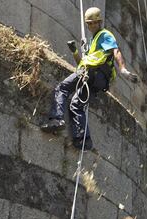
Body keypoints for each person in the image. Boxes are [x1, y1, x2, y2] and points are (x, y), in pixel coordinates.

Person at [41, 7, 138, 150]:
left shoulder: (104, 35)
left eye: (94, 23)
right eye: (90, 23)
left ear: (100, 22)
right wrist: (75, 51)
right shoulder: (93, 42)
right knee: (76, 105)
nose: (92, 26)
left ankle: (56, 119)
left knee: (62, 88)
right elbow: (82, 63)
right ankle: (83, 142)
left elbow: (115, 50)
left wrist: (123, 69)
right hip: (98, 80)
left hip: (92, 73)